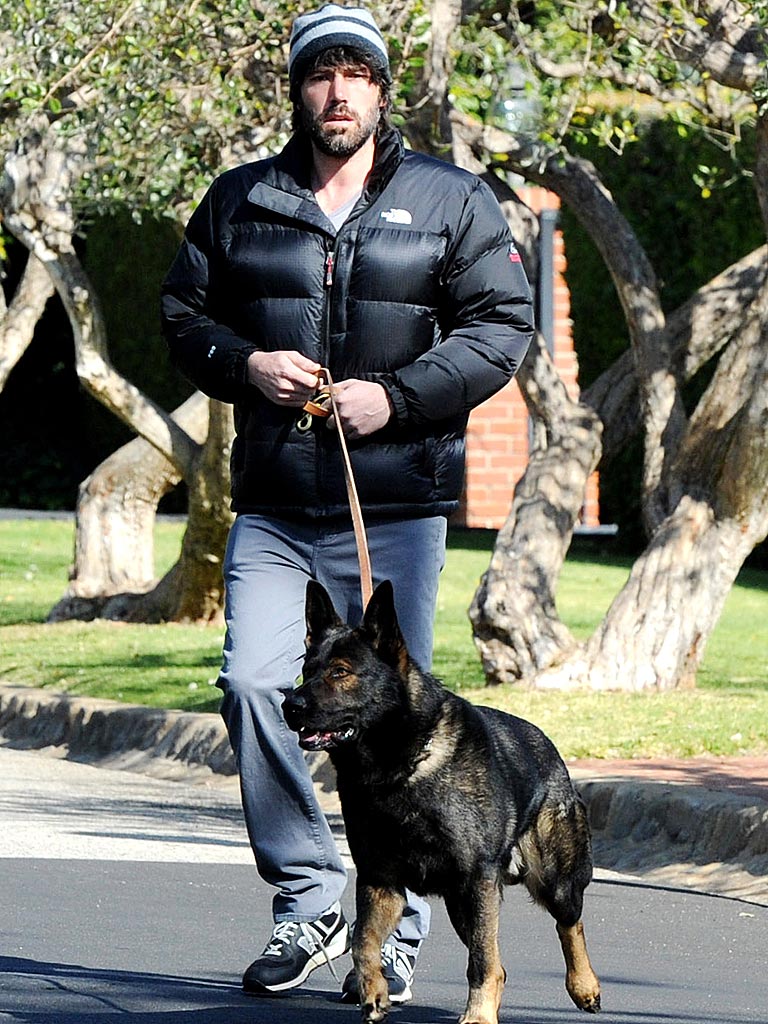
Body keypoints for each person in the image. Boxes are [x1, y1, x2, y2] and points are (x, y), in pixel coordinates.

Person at [160, 1, 534, 1004]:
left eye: (356, 74)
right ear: (297, 88)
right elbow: (180, 313)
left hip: (398, 506)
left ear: (380, 89)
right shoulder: (241, 199)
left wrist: (394, 397)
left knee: (391, 718)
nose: (338, 92)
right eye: (320, 74)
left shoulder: (452, 200)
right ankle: (309, 896)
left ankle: (398, 928)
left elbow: (504, 325)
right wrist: (247, 361)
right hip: (278, 507)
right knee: (251, 683)